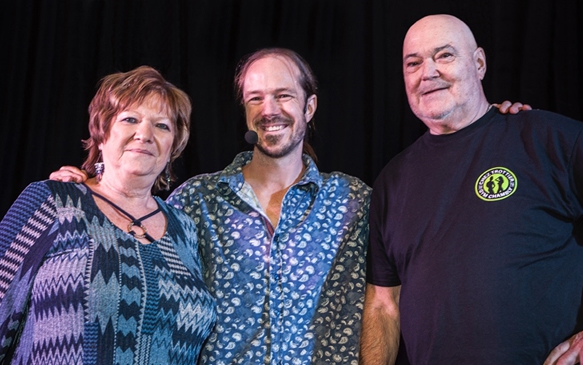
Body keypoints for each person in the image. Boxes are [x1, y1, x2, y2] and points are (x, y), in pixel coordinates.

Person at [48, 49, 526, 364]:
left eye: (283, 95)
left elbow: (393, 295)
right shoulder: (194, 200)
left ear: (309, 107)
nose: (269, 108)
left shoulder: (356, 200)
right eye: (256, 98)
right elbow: (133, 230)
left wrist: (491, 126)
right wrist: (90, 183)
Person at [360, 14, 583, 365]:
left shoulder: (553, 139)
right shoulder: (391, 181)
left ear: (479, 63)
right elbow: (384, 304)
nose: (427, 72)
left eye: (444, 55)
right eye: (413, 63)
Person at [0, 66, 216, 364]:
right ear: (102, 134)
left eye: (162, 126)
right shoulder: (53, 200)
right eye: (130, 119)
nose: (145, 134)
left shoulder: (185, 230)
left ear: (173, 148)